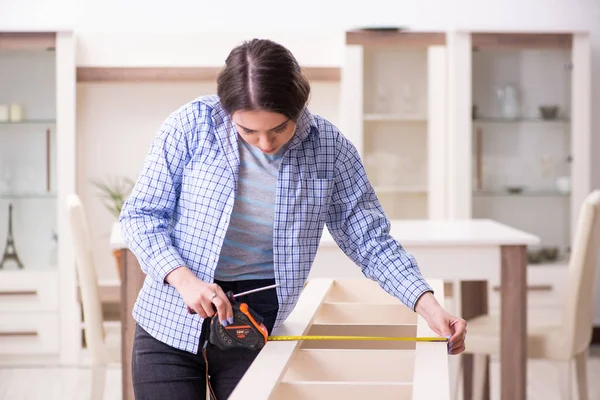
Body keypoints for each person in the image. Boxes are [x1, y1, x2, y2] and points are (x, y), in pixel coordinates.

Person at [119, 38, 467, 400]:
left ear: (299, 106)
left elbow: (370, 241)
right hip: (170, 319)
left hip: (257, 323)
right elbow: (141, 215)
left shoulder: (329, 148)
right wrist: (186, 282)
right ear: (228, 112)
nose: (265, 143)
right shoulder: (191, 125)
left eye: (278, 129)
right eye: (248, 131)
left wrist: (428, 307)